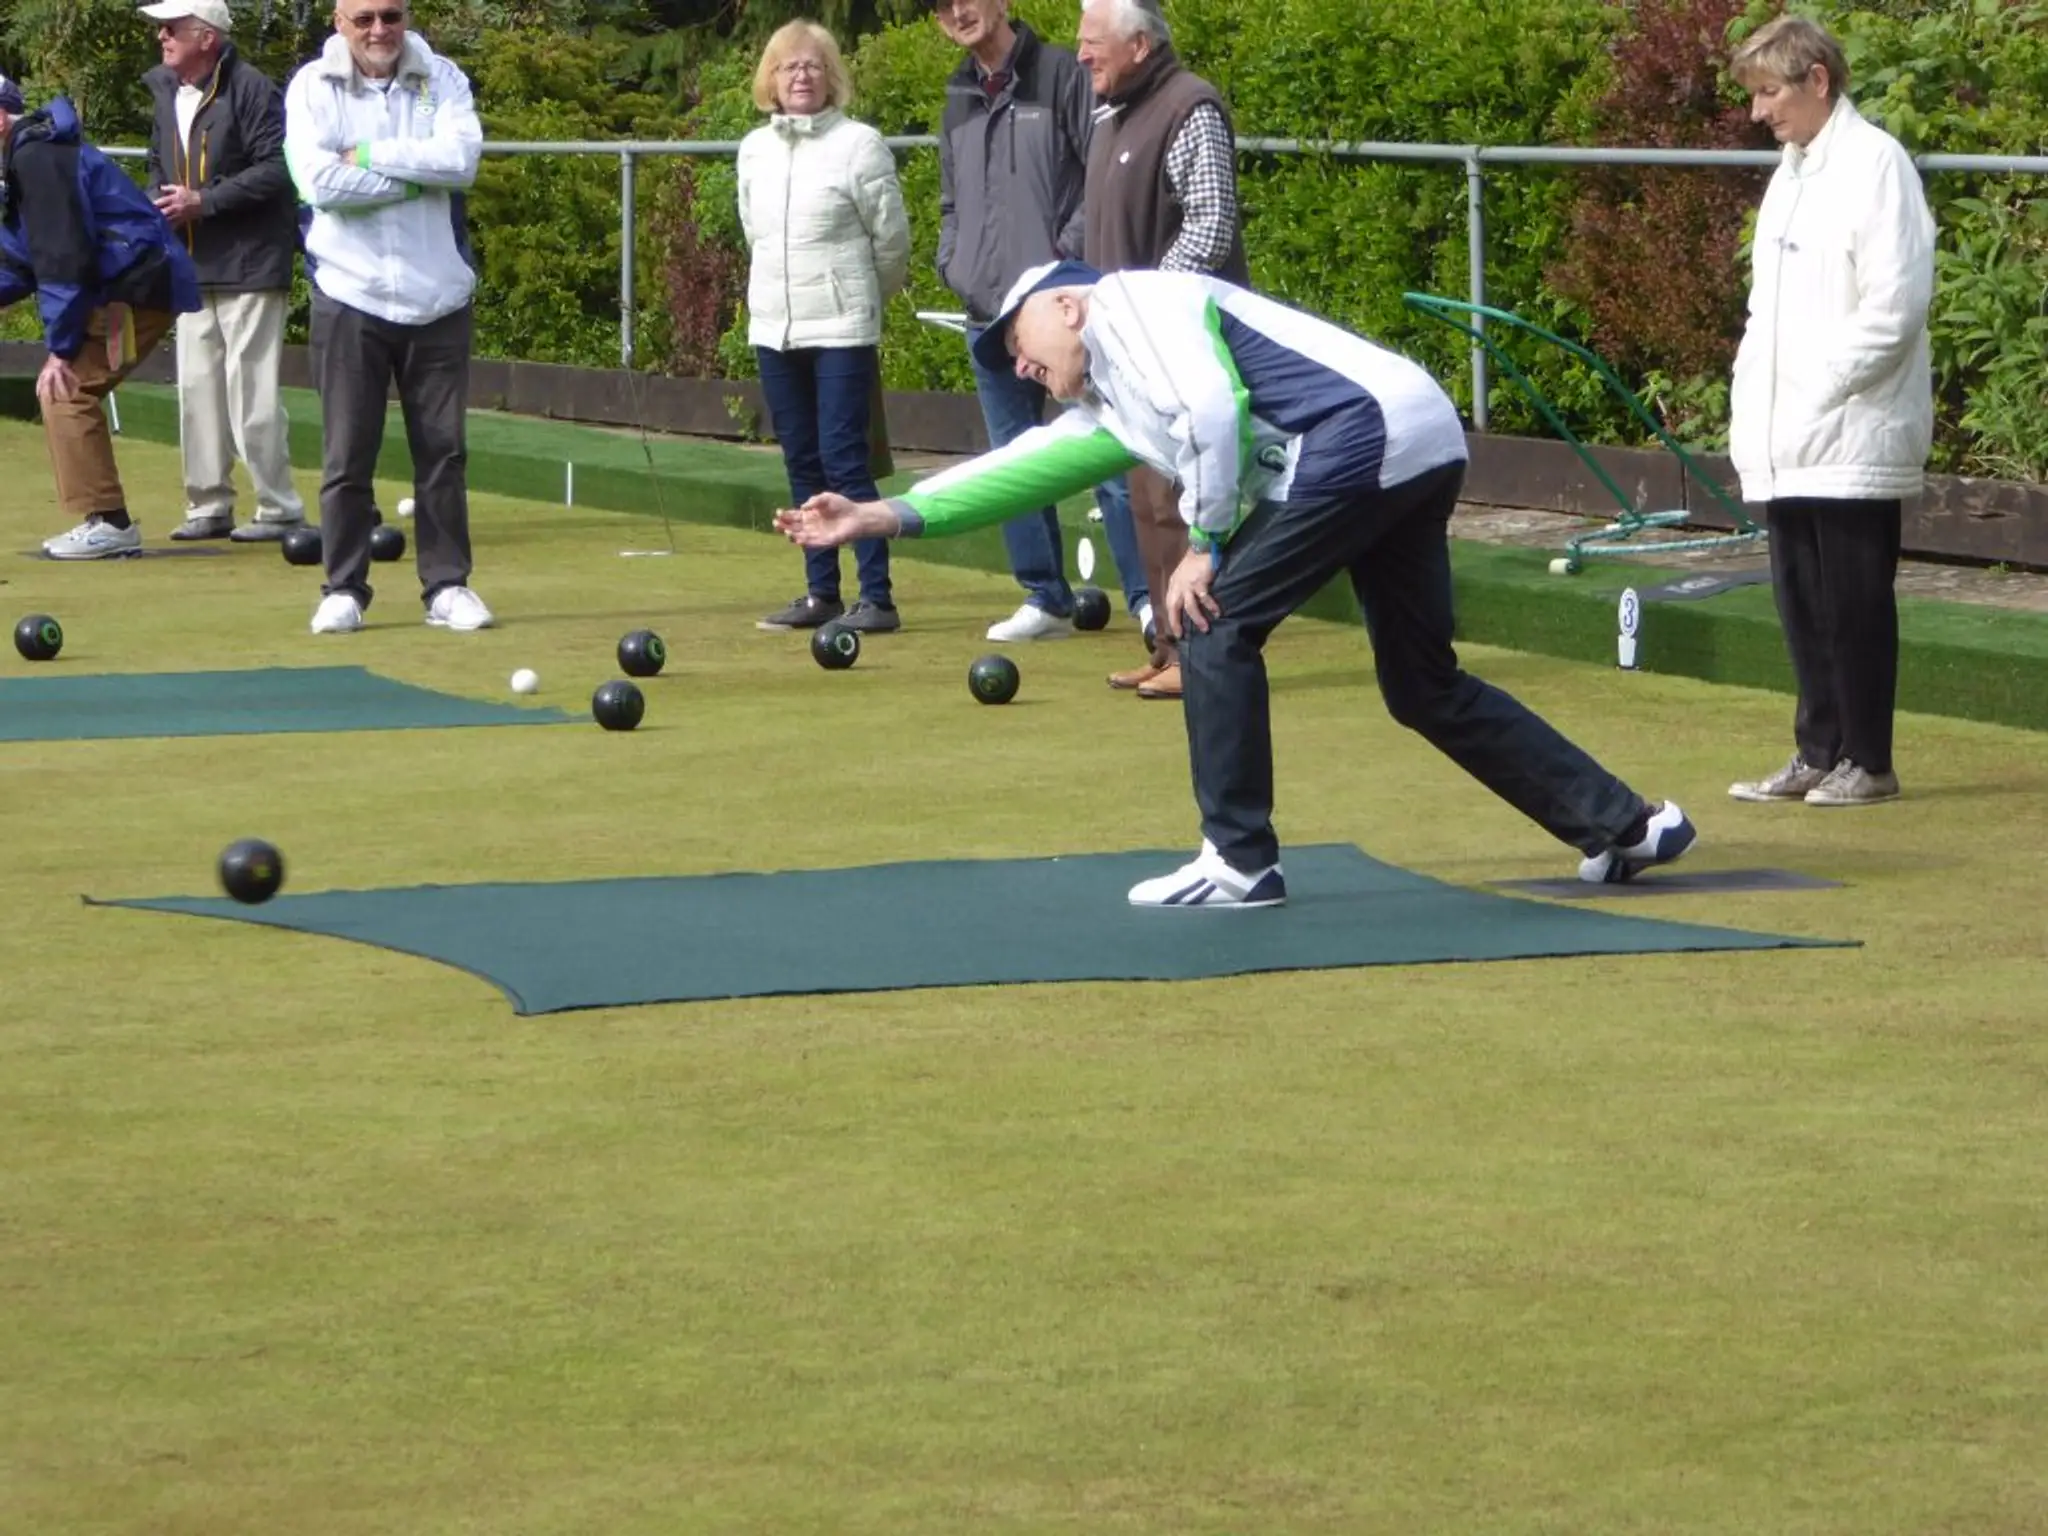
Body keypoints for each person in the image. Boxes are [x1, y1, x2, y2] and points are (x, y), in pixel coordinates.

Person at [775, 262, 1696, 906]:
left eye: (1017, 344)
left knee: (1208, 622)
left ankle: (1240, 863)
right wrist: (877, 515)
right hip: (1413, 439)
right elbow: (1029, 464)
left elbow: (1217, 410)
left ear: (1066, 304)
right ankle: (1626, 827)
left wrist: (1206, 542)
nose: (1018, 367)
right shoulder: (1117, 392)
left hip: (1357, 438)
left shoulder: (1133, 304)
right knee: (1422, 684)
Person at [1726, 16, 1933, 808]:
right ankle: (1818, 751)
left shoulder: (1878, 166)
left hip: (1853, 429)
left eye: (1769, 92)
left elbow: (1897, 306)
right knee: (1802, 599)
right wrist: (1760, 395)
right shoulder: (1794, 169)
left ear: (1817, 80)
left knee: (1853, 605)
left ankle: (1869, 763)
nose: (1758, 112)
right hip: (1788, 436)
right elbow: (1766, 309)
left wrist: (1823, 388)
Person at [935, 0, 1144, 643]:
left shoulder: (1062, 73)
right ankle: (1044, 598)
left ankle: (1146, 599)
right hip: (989, 312)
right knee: (1015, 461)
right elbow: (950, 200)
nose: (958, 11)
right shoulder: (957, 95)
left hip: (1063, 308)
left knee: (1109, 457)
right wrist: (954, 264)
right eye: (942, 6)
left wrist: (1066, 258)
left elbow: (1101, 177)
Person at [283, 4, 493, 635]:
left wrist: (368, 153)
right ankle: (344, 587)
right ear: (339, 19)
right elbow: (319, 183)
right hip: (351, 293)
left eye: (391, 15)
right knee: (348, 453)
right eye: (364, 17)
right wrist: (412, 180)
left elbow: (461, 163)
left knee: (444, 452)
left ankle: (447, 587)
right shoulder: (312, 86)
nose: (379, 30)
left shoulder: (444, 78)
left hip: (439, 298)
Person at [1075, 0, 1249, 700]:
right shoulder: (1109, 111)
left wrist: (1146, 303)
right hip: (1131, 348)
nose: (1082, 55)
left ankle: (1202, 659)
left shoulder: (1190, 107)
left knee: (1185, 501)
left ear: (1139, 45)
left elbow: (1210, 226)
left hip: (1181, 343)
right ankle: (1167, 645)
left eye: (1093, 43)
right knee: (1146, 500)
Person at [740, 20, 912, 636]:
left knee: (845, 458)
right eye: (788, 67)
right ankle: (821, 593)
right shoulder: (755, 149)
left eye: (813, 65)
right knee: (801, 460)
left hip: (842, 327)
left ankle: (878, 597)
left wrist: (862, 299)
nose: (801, 76)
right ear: (772, 80)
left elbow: (891, 243)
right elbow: (754, 232)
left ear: (831, 75)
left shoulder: (860, 144)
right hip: (775, 328)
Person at [0, 75, 201, 560]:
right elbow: (20, 259)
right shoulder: (25, 157)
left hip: (135, 288)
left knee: (66, 388)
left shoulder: (36, 158)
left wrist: (62, 348)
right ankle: (106, 520)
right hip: (125, 286)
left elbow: (62, 261)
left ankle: (110, 524)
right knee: (69, 389)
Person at [141, 0, 308, 545]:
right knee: (196, 390)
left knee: (251, 395)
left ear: (205, 37)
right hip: (191, 266)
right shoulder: (167, 91)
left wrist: (203, 202)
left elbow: (277, 168)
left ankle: (279, 507)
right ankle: (209, 504)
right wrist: (158, 202)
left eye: (170, 28)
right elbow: (156, 164)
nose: (161, 36)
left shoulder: (252, 88)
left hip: (252, 263)